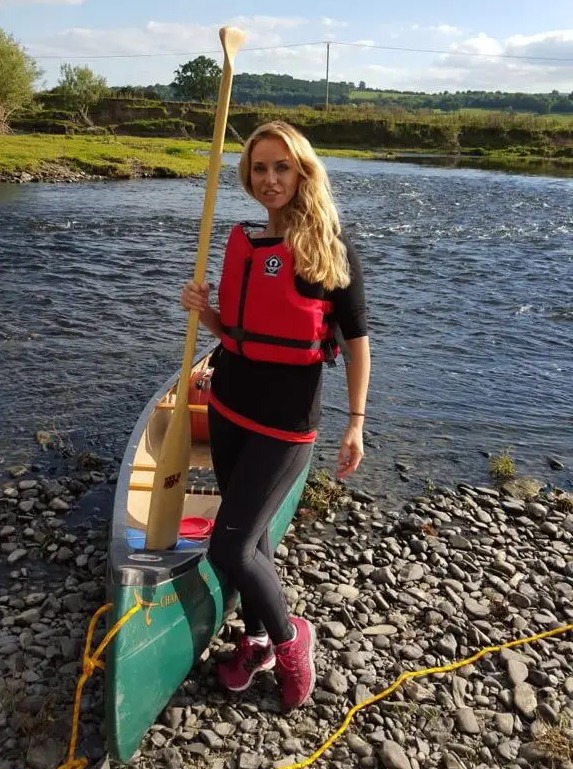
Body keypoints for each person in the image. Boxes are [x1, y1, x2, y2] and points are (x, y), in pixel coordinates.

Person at [181, 120, 370, 710]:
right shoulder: (246, 240)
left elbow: (359, 341)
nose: (270, 179)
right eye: (260, 168)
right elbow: (239, 334)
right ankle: (258, 637)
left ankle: (291, 640)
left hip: (285, 424)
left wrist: (356, 421)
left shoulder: (330, 248)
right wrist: (204, 312)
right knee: (253, 536)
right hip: (229, 407)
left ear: (302, 172)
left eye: (281, 167)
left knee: (227, 548)